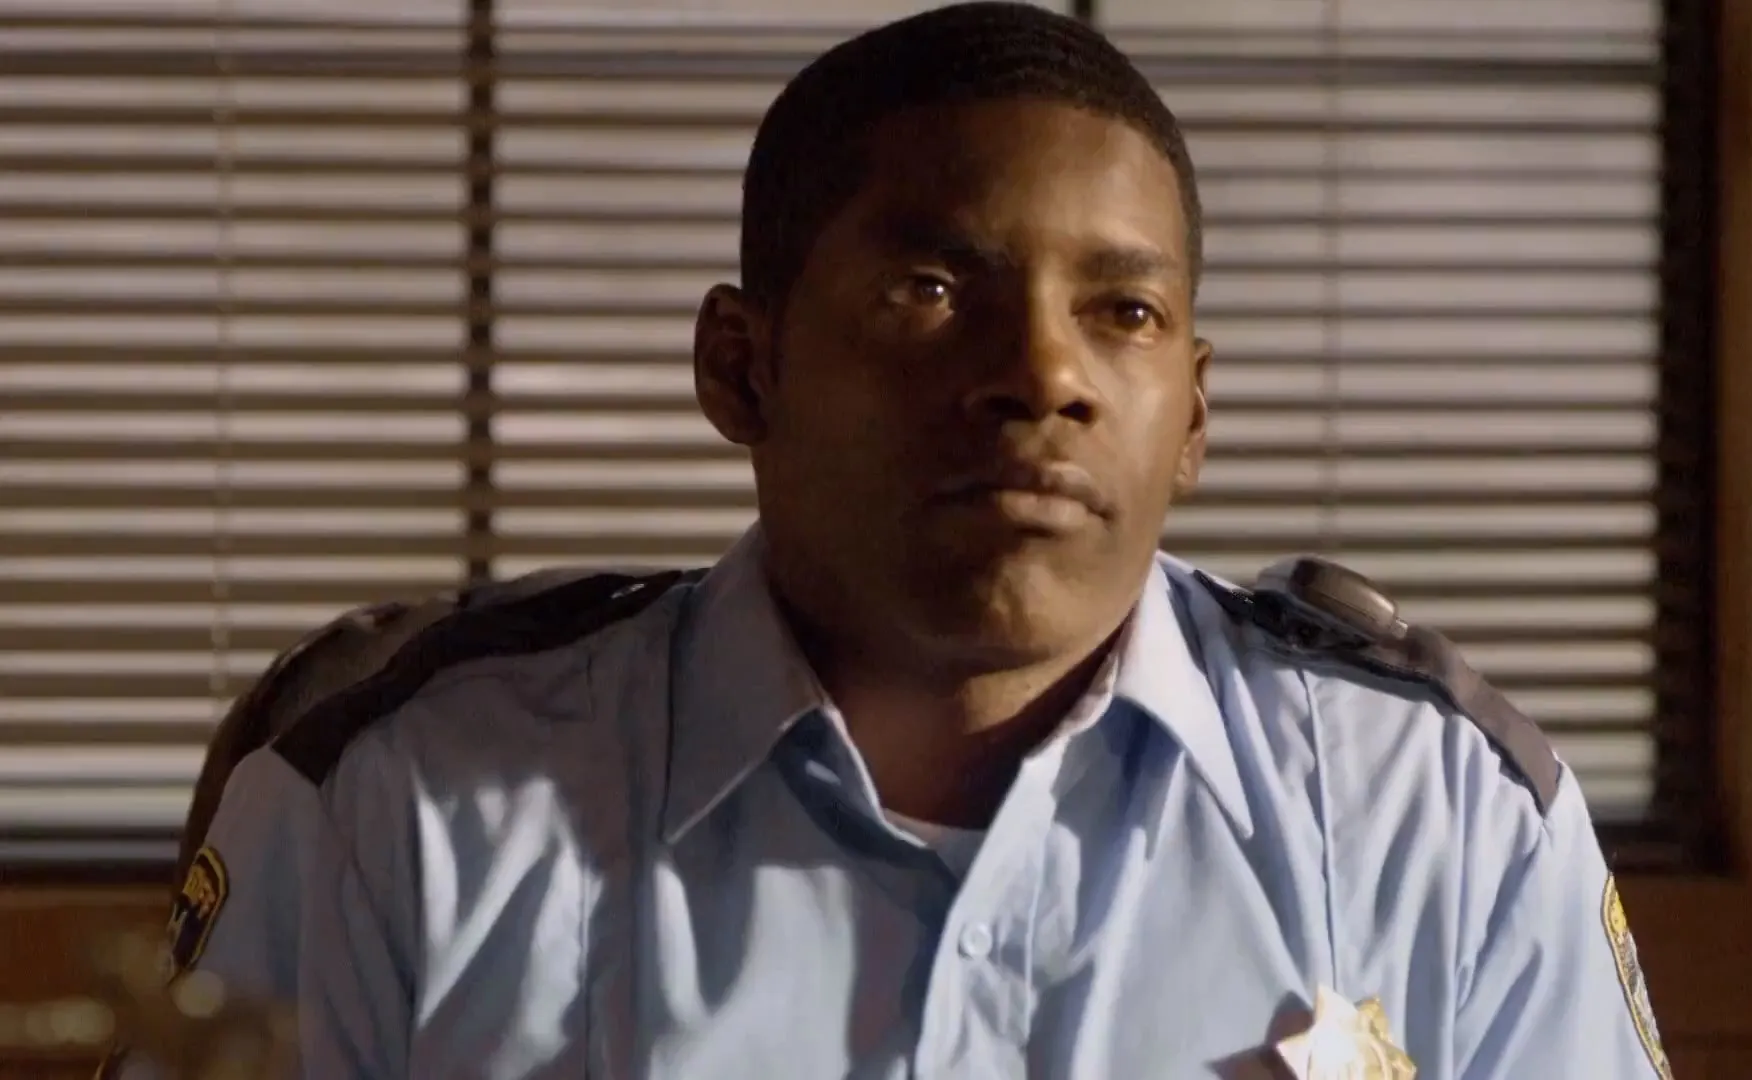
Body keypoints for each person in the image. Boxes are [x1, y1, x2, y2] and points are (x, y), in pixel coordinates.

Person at [109, 3, 1672, 1077]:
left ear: (1193, 416)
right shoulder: (404, 800)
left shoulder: (1434, 815)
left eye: (1121, 313)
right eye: (930, 291)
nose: (1043, 376)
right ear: (743, 367)